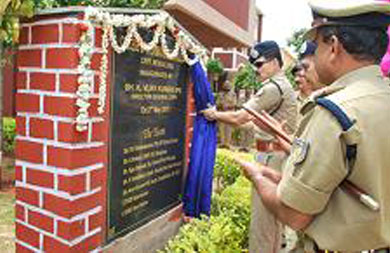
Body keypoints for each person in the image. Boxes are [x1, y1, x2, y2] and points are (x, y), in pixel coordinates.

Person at [237, 0, 390, 252]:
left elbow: (295, 213)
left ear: (333, 47)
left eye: (317, 44)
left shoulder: (334, 112)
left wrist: (257, 177)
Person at [203, 40, 297, 253]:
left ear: (274, 62)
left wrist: (213, 114)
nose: (256, 70)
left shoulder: (273, 88)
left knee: (262, 225)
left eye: (260, 64)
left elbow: (239, 117)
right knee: (273, 223)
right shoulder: (282, 86)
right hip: (278, 156)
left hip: (271, 157)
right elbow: (252, 123)